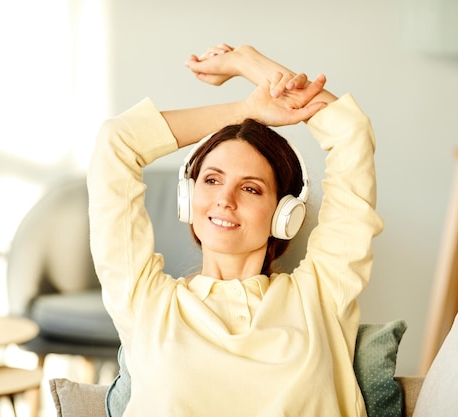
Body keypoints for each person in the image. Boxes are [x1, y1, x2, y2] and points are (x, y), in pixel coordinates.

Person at [88, 44, 384, 417]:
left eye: (250, 188)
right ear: (188, 199)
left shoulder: (322, 294)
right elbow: (116, 141)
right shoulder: (143, 300)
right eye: (211, 180)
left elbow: (350, 132)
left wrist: (248, 63)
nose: (224, 199)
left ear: (284, 214)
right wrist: (241, 111)